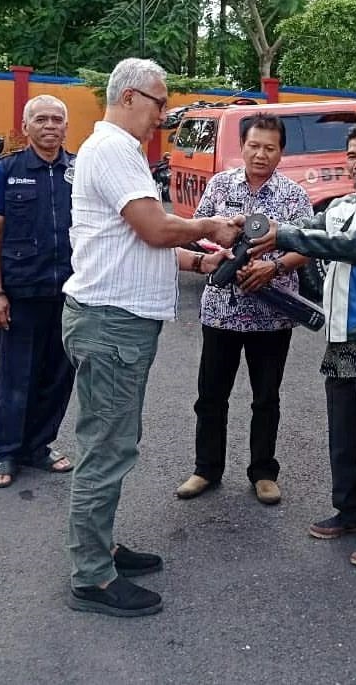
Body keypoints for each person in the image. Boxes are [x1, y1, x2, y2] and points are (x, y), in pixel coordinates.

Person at [63, 58, 240, 618]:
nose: (164, 115)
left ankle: (102, 548)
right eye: (162, 103)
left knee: (114, 442)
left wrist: (195, 259)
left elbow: (136, 242)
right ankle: (92, 576)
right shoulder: (114, 150)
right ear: (133, 96)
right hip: (111, 322)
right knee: (107, 449)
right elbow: (154, 228)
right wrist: (209, 227)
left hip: (115, 319)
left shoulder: (115, 150)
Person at [249, 122, 356, 568]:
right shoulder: (340, 205)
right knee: (345, 436)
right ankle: (352, 511)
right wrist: (251, 230)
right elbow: (307, 231)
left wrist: (285, 235)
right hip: (339, 336)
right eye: (352, 155)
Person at [176, 114, 312, 506]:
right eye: (254, 145)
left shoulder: (293, 194)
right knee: (211, 395)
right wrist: (219, 257)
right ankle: (205, 469)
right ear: (243, 146)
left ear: (281, 152)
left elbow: (308, 245)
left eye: (270, 148)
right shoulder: (220, 185)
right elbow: (197, 232)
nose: (260, 154)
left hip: (272, 313)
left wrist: (275, 265)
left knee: (266, 397)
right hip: (221, 309)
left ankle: (264, 473)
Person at [0, 96, 75, 488]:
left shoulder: (79, 170)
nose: (50, 125)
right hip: (20, 293)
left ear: (65, 128)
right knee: (16, 377)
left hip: (70, 292)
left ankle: (39, 446)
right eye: (41, 119)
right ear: (26, 126)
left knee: (58, 376)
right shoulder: (7, 171)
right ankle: (5, 452)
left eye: (57, 119)